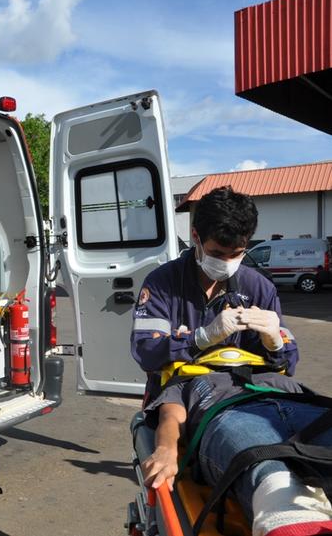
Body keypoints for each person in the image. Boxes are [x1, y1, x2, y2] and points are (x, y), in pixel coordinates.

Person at [130, 186, 299, 402]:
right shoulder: (162, 283)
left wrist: (274, 342)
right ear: (195, 236)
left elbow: (289, 363)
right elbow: (146, 351)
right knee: (169, 426)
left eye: (237, 254)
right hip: (179, 387)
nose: (227, 264)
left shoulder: (259, 287)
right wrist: (201, 338)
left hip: (242, 389)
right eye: (217, 253)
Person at [141, 370, 332, 536]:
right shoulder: (186, 383)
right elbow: (170, 419)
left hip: (308, 409)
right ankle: (292, 518)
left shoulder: (281, 379)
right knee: (274, 479)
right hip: (233, 413)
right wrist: (165, 449)